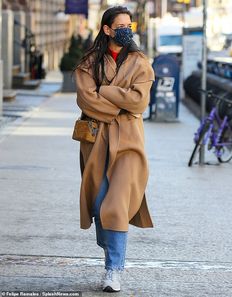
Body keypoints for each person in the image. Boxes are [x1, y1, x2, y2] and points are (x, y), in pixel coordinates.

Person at [74, 6, 154, 293]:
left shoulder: (141, 62)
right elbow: (86, 100)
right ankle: (110, 245)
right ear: (107, 29)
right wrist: (119, 102)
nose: (126, 29)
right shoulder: (89, 63)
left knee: (115, 206)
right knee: (99, 204)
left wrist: (105, 92)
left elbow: (139, 102)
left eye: (129, 25)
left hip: (130, 143)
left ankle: (113, 271)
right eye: (120, 25)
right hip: (96, 141)